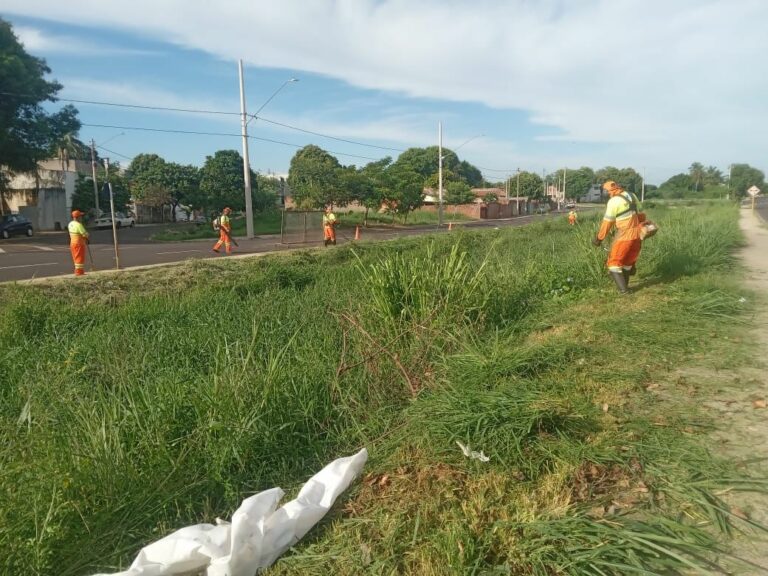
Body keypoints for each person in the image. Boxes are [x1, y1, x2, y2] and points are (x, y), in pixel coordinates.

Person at [592, 180, 647, 294]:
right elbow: (642, 215)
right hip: (637, 235)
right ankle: (626, 287)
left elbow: (607, 223)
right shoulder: (632, 195)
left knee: (613, 263)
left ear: (608, 192)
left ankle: (623, 291)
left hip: (625, 236)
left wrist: (599, 238)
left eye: (604, 192)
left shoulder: (613, 202)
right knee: (627, 263)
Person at [68, 210, 90, 276]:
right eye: (81, 216)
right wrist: (87, 236)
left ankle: (78, 271)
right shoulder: (79, 225)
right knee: (80, 257)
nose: (81, 218)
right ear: (78, 217)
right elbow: (85, 234)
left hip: (72, 243)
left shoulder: (70, 224)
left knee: (75, 257)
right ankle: (79, 272)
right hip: (79, 243)